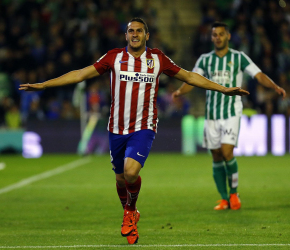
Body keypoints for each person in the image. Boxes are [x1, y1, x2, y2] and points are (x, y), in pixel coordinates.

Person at [19, 18, 249, 244]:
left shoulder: (157, 59)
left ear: (147, 35)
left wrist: (223, 89)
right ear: (126, 35)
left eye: (139, 31)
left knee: (130, 172)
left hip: (144, 127)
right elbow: (80, 74)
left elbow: (188, 76)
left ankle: (129, 211)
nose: (135, 34)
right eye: (131, 31)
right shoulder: (114, 57)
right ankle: (131, 212)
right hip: (116, 128)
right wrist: (45, 84)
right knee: (120, 179)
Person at [172, 22, 286, 211]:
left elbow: (258, 75)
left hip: (232, 112)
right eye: (215, 34)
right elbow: (192, 80)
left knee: (227, 152)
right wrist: (179, 92)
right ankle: (224, 198)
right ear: (212, 37)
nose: (218, 37)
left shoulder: (239, 57)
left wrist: (274, 86)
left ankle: (234, 193)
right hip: (211, 115)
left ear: (228, 36)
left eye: (221, 34)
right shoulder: (205, 59)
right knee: (216, 156)